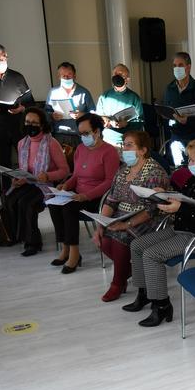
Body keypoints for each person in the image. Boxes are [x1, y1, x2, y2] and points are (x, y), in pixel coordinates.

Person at [123, 139, 195, 327]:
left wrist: (179, 208)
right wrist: (164, 193)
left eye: (192, 160)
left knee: (151, 254)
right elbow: (184, 198)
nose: (189, 164)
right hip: (184, 228)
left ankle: (161, 305)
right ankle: (145, 293)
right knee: (137, 245)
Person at [91, 130, 170, 302]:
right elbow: (111, 200)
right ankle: (126, 270)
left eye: (129, 145)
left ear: (142, 150)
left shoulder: (154, 172)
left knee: (120, 237)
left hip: (148, 220)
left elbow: (152, 209)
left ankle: (117, 283)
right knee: (103, 238)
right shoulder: (123, 171)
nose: (124, 149)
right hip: (121, 216)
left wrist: (125, 225)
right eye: (123, 145)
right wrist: (100, 224)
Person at [48, 113, 118, 272]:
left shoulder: (109, 152)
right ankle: (65, 247)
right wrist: (65, 186)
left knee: (69, 208)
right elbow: (76, 175)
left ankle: (74, 253)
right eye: (80, 134)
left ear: (98, 131)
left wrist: (86, 196)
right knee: (54, 204)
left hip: (97, 198)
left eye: (86, 133)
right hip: (78, 194)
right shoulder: (80, 149)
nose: (83, 137)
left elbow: (110, 182)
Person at [0, 106, 69, 256]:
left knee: (27, 203)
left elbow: (65, 170)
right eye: (27, 122)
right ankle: (18, 236)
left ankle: (33, 243)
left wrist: (48, 176)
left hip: (47, 184)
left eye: (34, 123)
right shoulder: (22, 143)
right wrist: (18, 179)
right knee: (10, 198)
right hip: (29, 182)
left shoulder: (51, 143)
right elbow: (24, 169)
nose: (30, 125)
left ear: (42, 125)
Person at [162, 52, 195, 167]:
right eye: (174, 65)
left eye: (180, 65)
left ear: (188, 67)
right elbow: (167, 109)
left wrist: (188, 120)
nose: (177, 68)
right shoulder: (169, 89)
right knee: (180, 171)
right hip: (176, 137)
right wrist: (166, 115)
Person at [45, 61, 95, 148]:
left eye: (69, 74)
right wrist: (52, 115)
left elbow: (94, 114)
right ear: (59, 77)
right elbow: (46, 112)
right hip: (58, 136)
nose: (66, 77)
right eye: (63, 75)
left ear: (74, 76)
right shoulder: (53, 92)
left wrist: (82, 115)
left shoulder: (84, 92)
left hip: (79, 136)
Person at [94, 64, 144, 147]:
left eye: (120, 75)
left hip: (127, 142)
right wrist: (105, 121)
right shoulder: (105, 96)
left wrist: (126, 124)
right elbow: (98, 117)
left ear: (127, 79)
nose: (117, 76)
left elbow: (140, 122)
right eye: (115, 74)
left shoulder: (134, 98)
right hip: (107, 140)